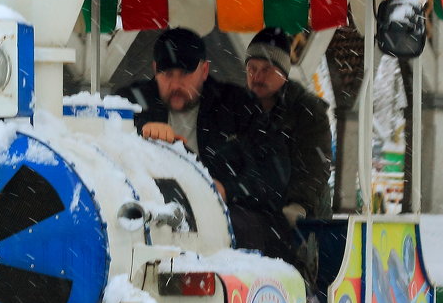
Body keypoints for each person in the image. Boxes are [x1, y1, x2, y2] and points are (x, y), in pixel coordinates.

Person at [116, 27, 292, 260]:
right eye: (167, 75)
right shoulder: (131, 103)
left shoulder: (237, 106)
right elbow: (106, 151)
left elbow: (275, 174)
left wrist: (227, 190)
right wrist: (139, 132)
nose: (176, 84)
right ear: (154, 71)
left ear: (204, 70)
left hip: (227, 220)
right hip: (153, 214)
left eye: (185, 74)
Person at [243, 27, 333, 225]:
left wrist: (298, 204)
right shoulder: (238, 109)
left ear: (283, 73)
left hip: (302, 215)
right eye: (252, 69)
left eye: (266, 69)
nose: (257, 77)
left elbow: (315, 165)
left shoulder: (308, 111)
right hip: (254, 213)